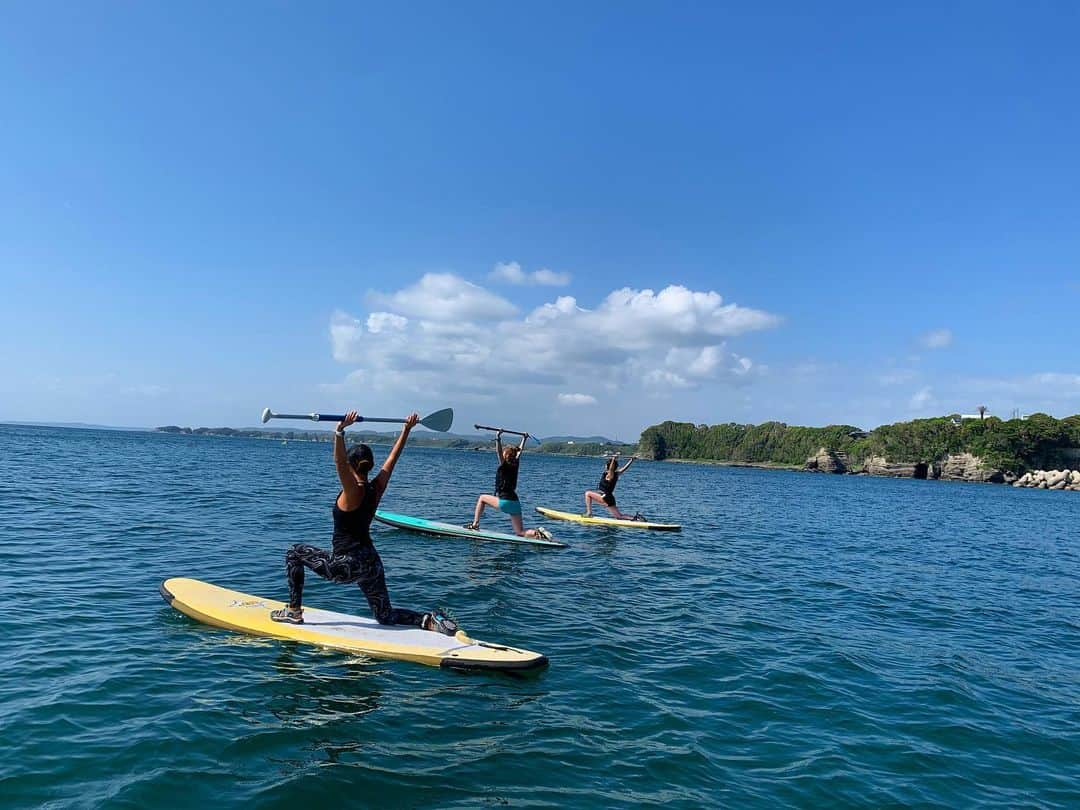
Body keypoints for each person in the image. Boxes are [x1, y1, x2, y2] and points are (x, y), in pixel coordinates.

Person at [270, 410, 457, 634]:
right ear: (368, 465)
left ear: (351, 466)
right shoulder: (375, 488)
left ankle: (293, 611)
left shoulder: (353, 491)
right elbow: (391, 461)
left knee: (293, 553)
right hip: (371, 562)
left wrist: (339, 431)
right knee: (385, 616)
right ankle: (428, 619)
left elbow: (338, 463)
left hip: (346, 564)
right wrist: (406, 430)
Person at [465, 430, 551, 539]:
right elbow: (519, 452)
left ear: (506, 456)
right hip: (515, 503)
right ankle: (537, 534)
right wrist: (524, 439)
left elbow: (499, 452)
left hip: (505, 502)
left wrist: (498, 437)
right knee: (520, 532)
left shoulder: (504, 465)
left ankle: (475, 524)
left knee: (482, 498)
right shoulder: (516, 464)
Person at [584, 454, 642, 520]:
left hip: (605, 497)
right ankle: (636, 518)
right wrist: (631, 460)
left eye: (606, 465)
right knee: (619, 516)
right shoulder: (616, 474)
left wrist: (613, 459)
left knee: (587, 493)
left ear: (608, 466)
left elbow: (611, 469)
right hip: (610, 498)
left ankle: (589, 513)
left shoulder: (610, 475)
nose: (604, 466)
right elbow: (624, 468)